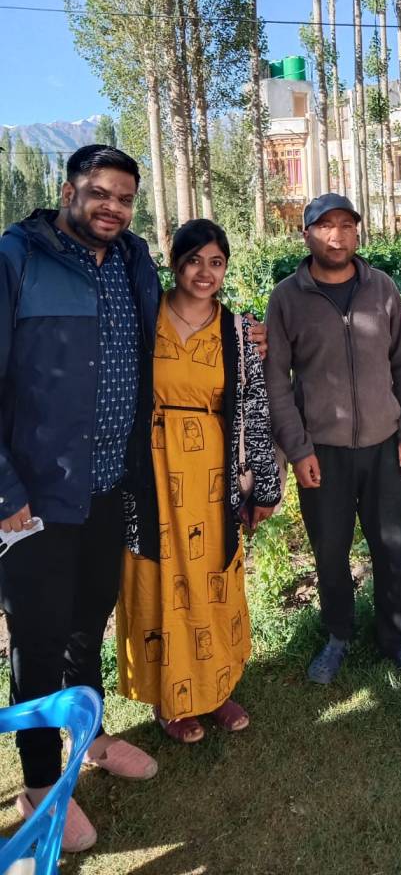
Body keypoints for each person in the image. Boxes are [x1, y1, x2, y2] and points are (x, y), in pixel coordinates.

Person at [0, 145, 161, 852]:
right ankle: (40, 784)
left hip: (106, 486)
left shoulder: (132, 260)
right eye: (100, 193)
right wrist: (4, 488)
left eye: (124, 198)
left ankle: (91, 742)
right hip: (32, 497)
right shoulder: (19, 258)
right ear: (68, 190)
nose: (112, 208)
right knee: (36, 643)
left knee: (86, 625)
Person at [116, 219, 281, 741]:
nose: (204, 273)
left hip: (213, 476)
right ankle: (170, 701)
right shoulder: (144, 319)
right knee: (160, 580)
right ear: (175, 262)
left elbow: (254, 408)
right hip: (154, 474)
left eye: (215, 262)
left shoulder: (238, 330)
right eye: (193, 261)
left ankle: (216, 691)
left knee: (214, 578)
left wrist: (266, 486)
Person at [264, 193, 401, 685]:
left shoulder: (381, 289)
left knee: (395, 546)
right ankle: (338, 634)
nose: (337, 235)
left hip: (384, 446)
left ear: (358, 233)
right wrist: (297, 448)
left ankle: (398, 638)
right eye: (325, 226)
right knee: (330, 549)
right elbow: (277, 381)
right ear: (307, 235)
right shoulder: (287, 298)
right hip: (323, 453)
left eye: (346, 225)